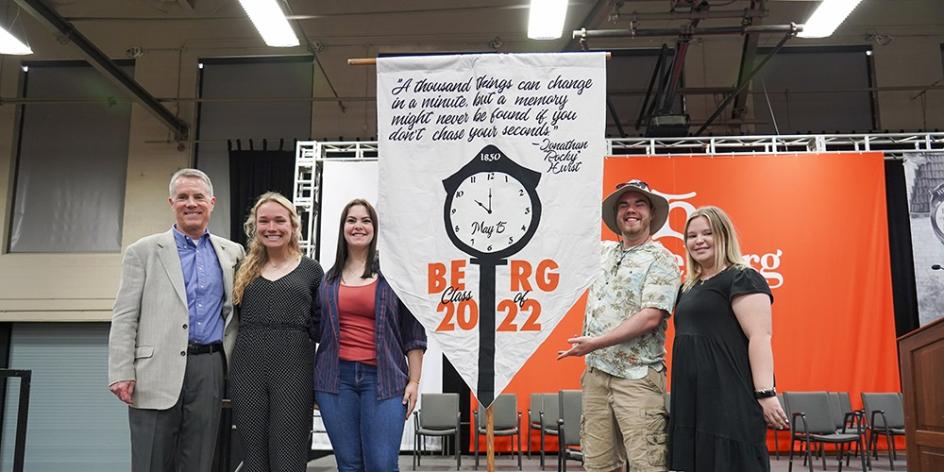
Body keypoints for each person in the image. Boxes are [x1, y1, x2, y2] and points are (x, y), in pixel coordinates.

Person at [108, 168, 245, 472]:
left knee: (198, 462)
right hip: (154, 370)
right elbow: (125, 315)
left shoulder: (232, 253)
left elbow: (236, 314)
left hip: (209, 368)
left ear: (212, 202)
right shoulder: (142, 252)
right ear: (171, 202)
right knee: (150, 462)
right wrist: (121, 370)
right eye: (183, 197)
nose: (191, 203)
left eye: (198, 197)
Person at [558, 179, 681, 472]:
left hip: (637, 378)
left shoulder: (661, 258)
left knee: (647, 465)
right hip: (596, 376)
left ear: (651, 213)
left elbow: (652, 316)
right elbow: (561, 237)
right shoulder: (601, 253)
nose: (631, 210)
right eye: (623, 205)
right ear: (615, 214)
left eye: (639, 204)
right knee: (598, 465)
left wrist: (595, 343)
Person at [668, 206, 789, 471]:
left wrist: (766, 393)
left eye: (707, 233)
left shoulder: (742, 277)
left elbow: (760, 337)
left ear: (724, 236)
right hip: (693, 399)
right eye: (691, 236)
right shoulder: (687, 287)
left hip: (729, 397)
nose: (698, 241)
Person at [312, 198, 427, 471]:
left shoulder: (393, 277)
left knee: (382, 465)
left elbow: (414, 333)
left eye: (365, 220)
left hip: (384, 380)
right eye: (351, 220)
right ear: (343, 228)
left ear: (375, 229)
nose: (358, 226)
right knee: (349, 465)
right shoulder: (327, 280)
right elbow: (316, 330)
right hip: (335, 381)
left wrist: (414, 382)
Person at [230, 192, 324, 471]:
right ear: (254, 226)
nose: (272, 227)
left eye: (279, 220)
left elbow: (321, 327)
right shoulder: (242, 269)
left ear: (293, 226)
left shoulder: (312, 271)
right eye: (264, 221)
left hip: (295, 370)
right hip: (247, 369)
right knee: (254, 457)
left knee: (289, 456)